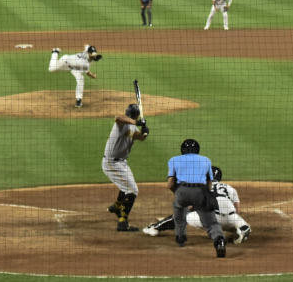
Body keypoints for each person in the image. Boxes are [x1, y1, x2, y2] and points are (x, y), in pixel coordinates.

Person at [142, 165, 251, 244]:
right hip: (231, 218)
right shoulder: (230, 188)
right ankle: (241, 229)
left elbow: (190, 206)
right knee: (243, 224)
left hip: (212, 219)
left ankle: (155, 228)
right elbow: (237, 210)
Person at [166, 138, 227, 257]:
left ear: (182, 150)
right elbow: (209, 182)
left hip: (182, 191)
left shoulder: (173, 160)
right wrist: (206, 196)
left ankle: (180, 237)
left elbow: (170, 184)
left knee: (179, 211)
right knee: (210, 222)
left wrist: (178, 193)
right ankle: (219, 240)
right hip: (200, 191)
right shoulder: (206, 160)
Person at [103, 103, 149, 231]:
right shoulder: (121, 124)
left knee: (127, 184)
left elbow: (139, 137)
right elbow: (118, 117)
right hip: (111, 163)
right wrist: (136, 122)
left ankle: (118, 206)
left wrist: (145, 133)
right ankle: (122, 222)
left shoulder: (132, 127)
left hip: (121, 163)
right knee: (133, 190)